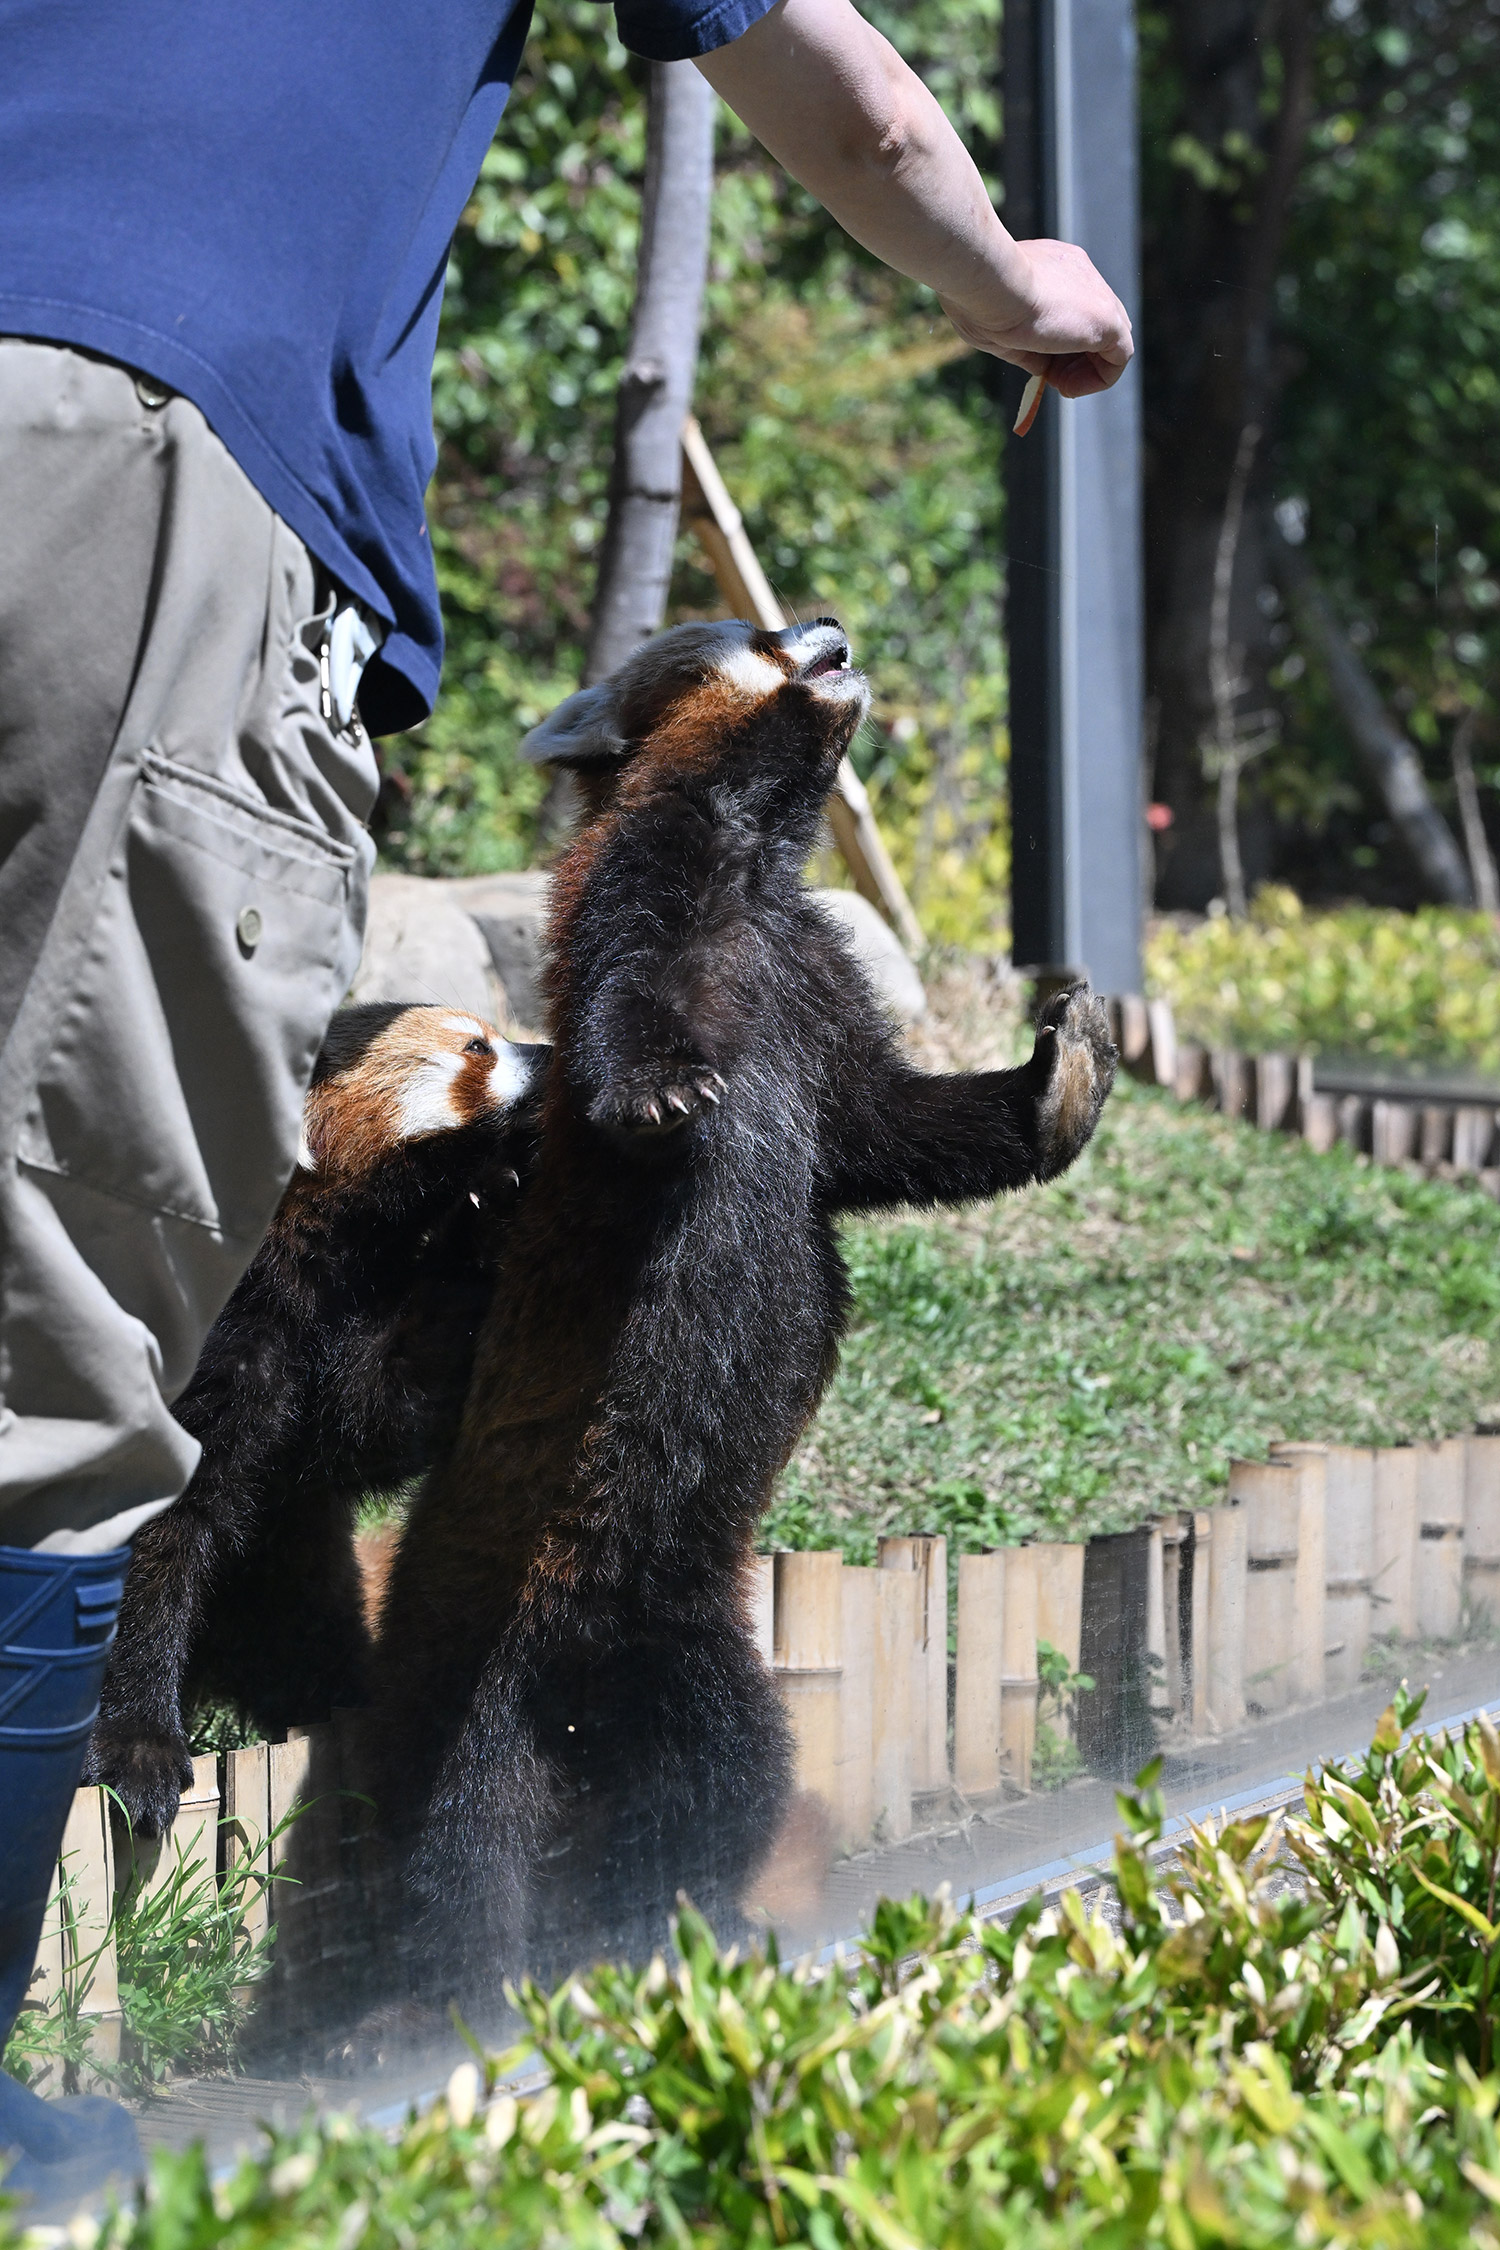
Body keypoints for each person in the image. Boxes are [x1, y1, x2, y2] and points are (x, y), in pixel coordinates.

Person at [0, 0, 1131, 2207]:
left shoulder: (783, 972)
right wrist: (1017, 286)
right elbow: (853, 99)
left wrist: (1012, 1111)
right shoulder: (641, 930)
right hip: (144, 454)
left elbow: (850, 1130)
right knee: (66, 1348)